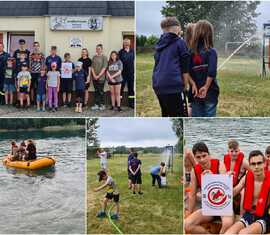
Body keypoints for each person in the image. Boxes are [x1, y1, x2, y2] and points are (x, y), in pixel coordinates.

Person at [184, 142, 233, 234]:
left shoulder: (219, 164)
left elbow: (226, 189)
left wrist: (212, 178)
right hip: (209, 207)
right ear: (195, 158)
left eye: (204, 155)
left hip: (224, 205)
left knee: (227, 223)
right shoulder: (195, 171)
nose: (202, 160)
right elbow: (192, 194)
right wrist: (190, 214)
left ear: (209, 155)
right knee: (187, 224)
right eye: (198, 157)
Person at [152, 17, 190, 117]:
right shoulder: (180, 42)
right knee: (178, 116)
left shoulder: (158, 44)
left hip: (158, 85)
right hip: (173, 85)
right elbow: (185, 67)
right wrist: (185, 86)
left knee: (166, 114)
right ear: (177, 28)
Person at [225, 150, 270, 234]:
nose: (256, 167)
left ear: (264, 163)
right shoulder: (246, 177)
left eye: (259, 163)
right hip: (249, 215)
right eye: (253, 164)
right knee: (228, 233)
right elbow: (234, 192)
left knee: (244, 233)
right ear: (249, 165)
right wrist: (226, 180)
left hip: (265, 217)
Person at [189, 20, 219, 117]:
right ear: (210, 34)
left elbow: (186, 71)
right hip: (210, 93)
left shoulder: (189, 52)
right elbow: (211, 72)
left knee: (197, 121)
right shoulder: (211, 51)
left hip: (195, 93)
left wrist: (193, 84)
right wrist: (206, 87)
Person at [91, 44, 108, 111]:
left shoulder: (104, 57)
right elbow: (92, 67)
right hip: (94, 77)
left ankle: (102, 105)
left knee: (101, 91)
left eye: (99, 49)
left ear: (101, 49)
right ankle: (96, 105)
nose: (98, 50)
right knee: (96, 91)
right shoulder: (94, 57)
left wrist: (98, 76)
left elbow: (104, 68)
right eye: (97, 48)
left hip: (101, 78)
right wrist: (94, 75)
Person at [119, 38, 135, 109]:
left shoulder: (133, 51)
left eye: (128, 42)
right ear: (123, 44)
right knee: (121, 88)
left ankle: (131, 103)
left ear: (130, 43)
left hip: (131, 73)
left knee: (131, 89)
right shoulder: (120, 52)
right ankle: (119, 102)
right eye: (125, 43)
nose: (126, 44)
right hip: (122, 73)